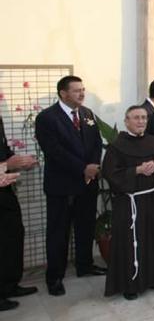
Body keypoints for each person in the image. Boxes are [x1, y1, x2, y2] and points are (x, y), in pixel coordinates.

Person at [34, 75, 106, 296]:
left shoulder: (87, 114)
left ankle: (84, 265)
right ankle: (55, 277)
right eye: (76, 90)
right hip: (62, 186)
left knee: (85, 227)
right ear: (63, 93)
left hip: (87, 183)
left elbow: (95, 142)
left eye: (83, 89)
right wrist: (83, 168)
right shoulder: (47, 118)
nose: (82, 94)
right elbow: (54, 151)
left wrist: (92, 166)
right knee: (59, 232)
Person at [102, 106, 154, 300]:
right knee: (130, 244)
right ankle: (130, 285)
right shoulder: (116, 146)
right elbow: (110, 173)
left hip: (152, 199)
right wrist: (136, 171)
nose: (141, 121)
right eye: (136, 118)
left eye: (144, 118)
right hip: (129, 203)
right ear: (126, 121)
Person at [0, 114, 39, 311]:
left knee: (12, 234)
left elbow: (3, 150)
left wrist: (19, 161)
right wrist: (7, 165)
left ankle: (9, 285)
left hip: (4, 187)